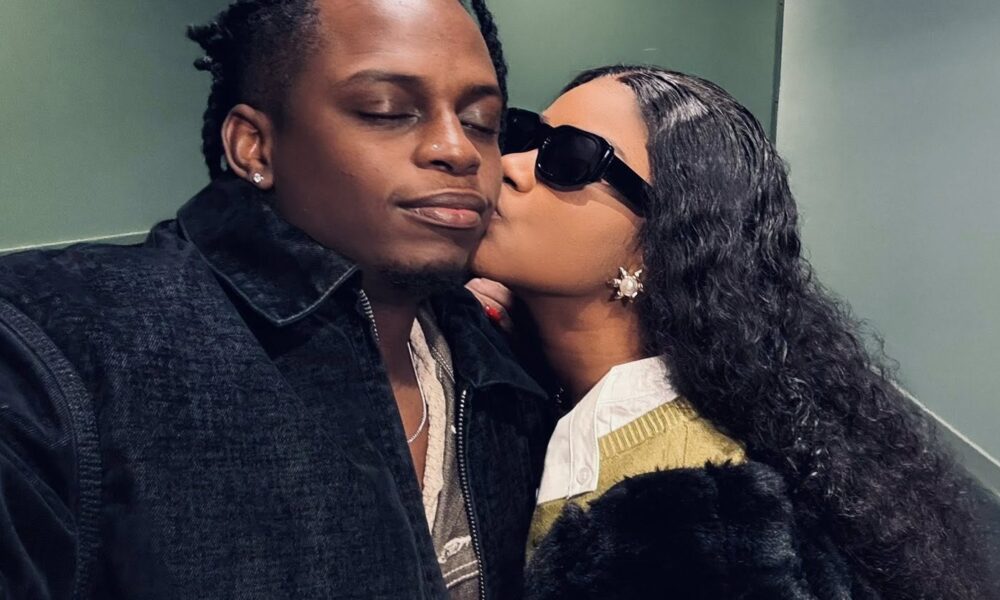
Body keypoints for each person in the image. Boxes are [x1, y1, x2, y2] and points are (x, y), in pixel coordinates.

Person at [0, 1, 553, 598]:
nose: (459, 149)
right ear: (255, 147)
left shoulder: (499, 365)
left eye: (481, 122)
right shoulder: (55, 344)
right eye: (386, 110)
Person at [469, 65, 994, 599]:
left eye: (569, 158)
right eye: (525, 136)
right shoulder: (520, 374)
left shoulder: (690, 516)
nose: (507, 165)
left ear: (667, 238)